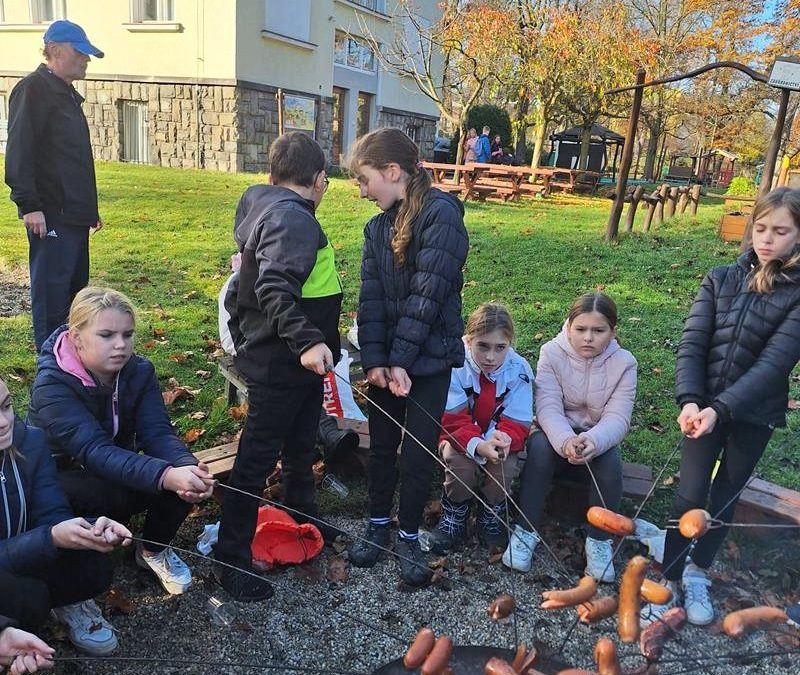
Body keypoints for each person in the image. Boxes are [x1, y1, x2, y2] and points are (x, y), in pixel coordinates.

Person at [642, 187, 800, 627]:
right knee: (689, 495)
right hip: (703, 408)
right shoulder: (720, 278)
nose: (766, 239)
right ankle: (669, 574)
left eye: (780, 231)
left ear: (799, 235)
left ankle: (698, 571)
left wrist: (722, 409)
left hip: (753, 414)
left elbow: (774, 364)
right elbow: (694, 343)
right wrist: (691, 399)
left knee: (724, 496)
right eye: (761, 227)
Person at [214, 131, 343, 602]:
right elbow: (272, 287)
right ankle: (230, 559)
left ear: (272, 176)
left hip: (299, 366)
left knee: (302, 442)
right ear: (321, 181)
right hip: (281, 362)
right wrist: (309, 341)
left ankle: (303, 516)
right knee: (256, 459)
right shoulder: (295, 221)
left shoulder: (270, 208)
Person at [27, 287, 213, 598]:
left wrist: (187, 468)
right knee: (156, 479)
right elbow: (94, 450)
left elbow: (158, 433)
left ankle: (153, 550)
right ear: (76, 337)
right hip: (60, 480)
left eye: (128, 334)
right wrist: (165, 475)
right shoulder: (51, 387)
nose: (120, 345)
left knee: (184, 477)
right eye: (106, 335)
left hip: (113, 466)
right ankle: (71, 589)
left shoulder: (139, 372)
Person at [347, 127, 469, 586]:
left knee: (417, 453)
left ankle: (410, 534)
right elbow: (371, 299)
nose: (361, 191)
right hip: (390, 365)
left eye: (364, 180)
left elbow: (428, 294)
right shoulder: (376, 229)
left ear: (392, 171)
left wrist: (403, 360)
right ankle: (378, 525)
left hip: (429, 361)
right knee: (381, 447)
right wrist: (376, 360)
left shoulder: (442, 216)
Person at [502, 293, 637, 580]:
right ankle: (526, 530)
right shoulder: (551, 352)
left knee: (611, 463)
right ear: (569, 326)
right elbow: (547, 407)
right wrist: (565, 441)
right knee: (538, 448)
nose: (588, 338)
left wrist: (592, 441)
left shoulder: (625, 363)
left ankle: (599, 542)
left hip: (596, 440)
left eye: (598, 331)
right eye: (581, 329)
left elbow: (618, 417)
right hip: (555, 435)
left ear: (613, 332)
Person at [0, 377, 131, 656]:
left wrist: (89, 529)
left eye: (6, 406)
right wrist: (49, 538)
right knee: (29, 599)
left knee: (93, 567)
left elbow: (52, 511)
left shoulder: (31, 441)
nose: (3, 422)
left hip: (28, 549)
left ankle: (60, 607)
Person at [4, 20, 104, 351]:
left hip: (75, 216)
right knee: (51, 296)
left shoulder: (66, 96)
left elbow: (73, 160)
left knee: (76, 295)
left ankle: (72, 361)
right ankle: (51, 368)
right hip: (50, 215)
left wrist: (90, 210)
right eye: (80, 53)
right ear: (55, 50)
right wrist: (29, 205)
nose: (85, 60)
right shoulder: (32, 90)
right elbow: (20, 151)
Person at [428, 303, 533, 554]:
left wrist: (501, 439)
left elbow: (519, 420)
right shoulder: (455, 364)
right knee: (460, 461)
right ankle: (455, 510)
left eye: (500, 348)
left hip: (498, 437)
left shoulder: (519, 371)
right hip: (457, 435)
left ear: (509, 344)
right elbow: (452, 418)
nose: (490, 357)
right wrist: (478, 444)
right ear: (470, 339)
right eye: (482, 346)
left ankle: (491, 511)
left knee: (505, 464)